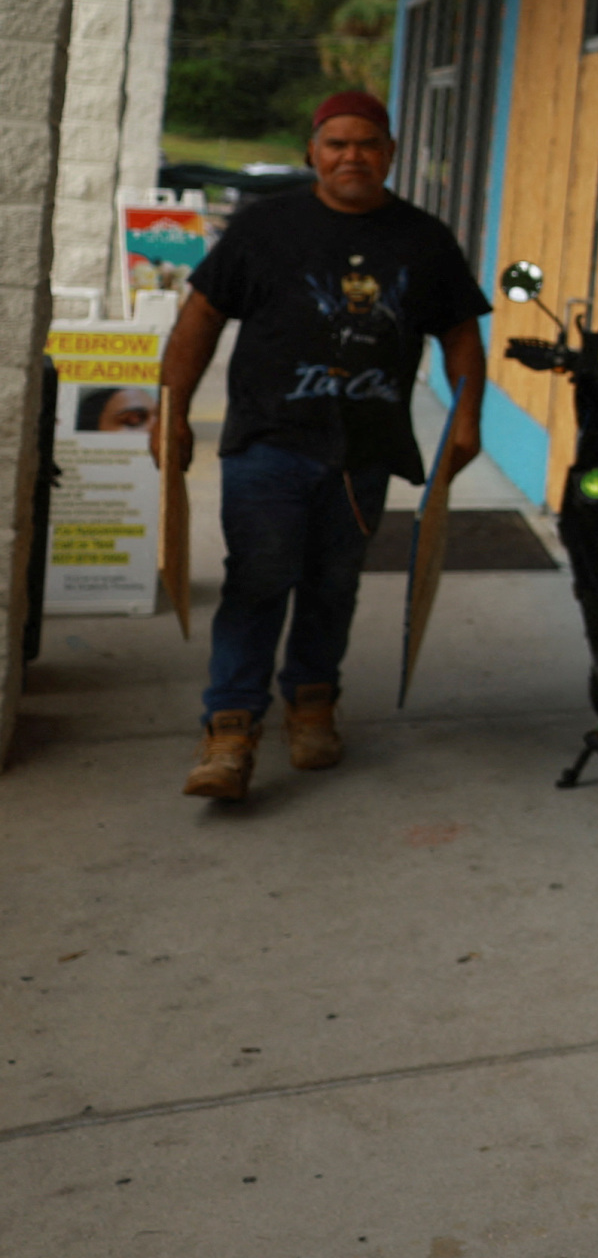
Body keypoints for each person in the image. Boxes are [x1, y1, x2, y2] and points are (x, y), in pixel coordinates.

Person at [153, 91, 490, 801]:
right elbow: (201, 316)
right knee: (259, 578)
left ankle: (313, 707)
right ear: (313, 152)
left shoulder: (424, 239)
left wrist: (467, 418)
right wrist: (171, 410)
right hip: (268, 440)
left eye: (367, 144)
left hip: (364, 449)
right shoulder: (263, 228)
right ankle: (230, 730)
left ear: (390, 154)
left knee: (333, 584)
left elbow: (461, 331)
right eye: (336, 144)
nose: (352, 156)